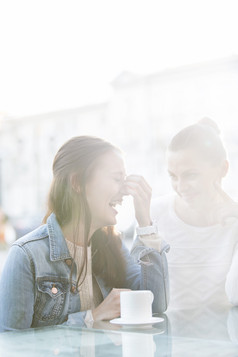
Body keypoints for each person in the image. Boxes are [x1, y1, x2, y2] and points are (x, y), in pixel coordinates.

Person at [0, 136, 169, 332]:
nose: (125, 191)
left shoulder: (113, 246)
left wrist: (146, 225)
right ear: (77, 182)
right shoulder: (26, 256)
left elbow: (155, 306)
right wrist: (91, 317)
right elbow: (13, 345)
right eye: (116, 179)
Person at [150, 118, 238, 310]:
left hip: (227, 339)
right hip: (168, 338)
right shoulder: (154, 214)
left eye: (191, 175)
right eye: (173, 176)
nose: (181, 187)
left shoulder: (235, 220)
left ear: (223, 169)